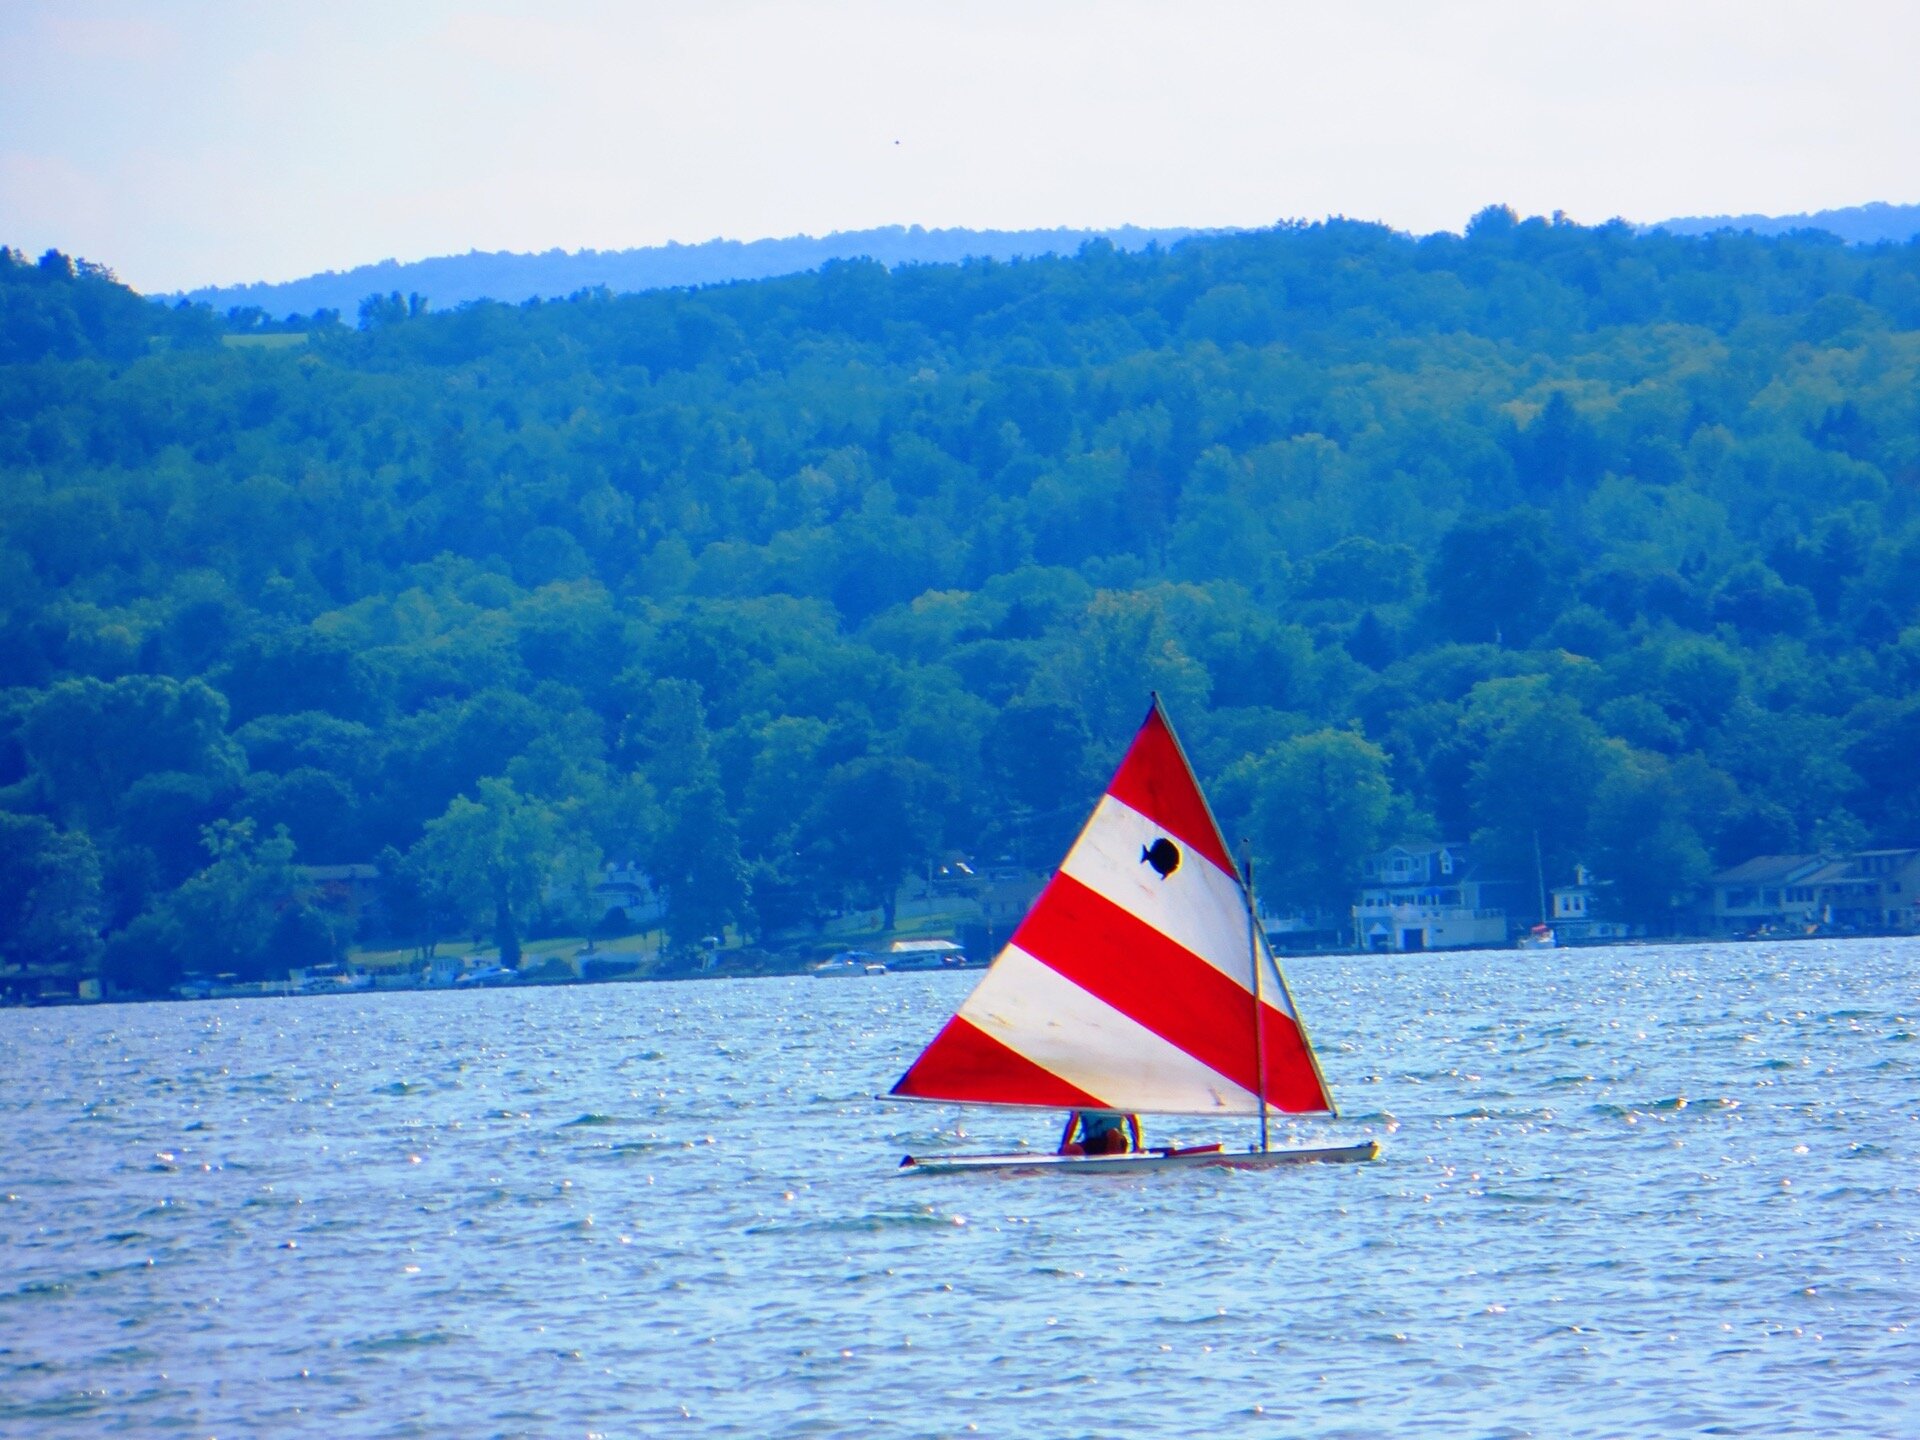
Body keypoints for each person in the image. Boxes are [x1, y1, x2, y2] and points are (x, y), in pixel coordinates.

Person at [1057, 1109, 1141, 1156]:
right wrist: (1063, 1147)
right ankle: (1087, 1167)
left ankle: (1112, 1160)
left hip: (1116, 1140)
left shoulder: (1117, 1099)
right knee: (1069, 1149)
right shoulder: (1083, 1101)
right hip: (1092, 1142)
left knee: (1113, 1133)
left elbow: (1132, 1120)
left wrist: (1137, 1147)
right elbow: (1073, 1121)